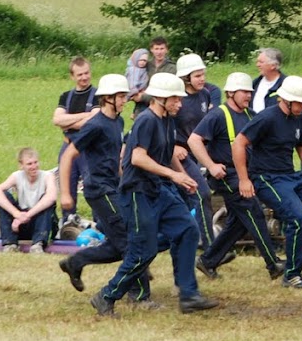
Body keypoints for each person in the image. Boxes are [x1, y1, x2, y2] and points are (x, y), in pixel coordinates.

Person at [90, 72, 219, 315]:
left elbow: (168, 152)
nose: (180, 104)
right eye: (175, 99)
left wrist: (183, 176)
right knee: (143, 251)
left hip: (160, 189)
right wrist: (173, 176)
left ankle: (188, 295)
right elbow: (138, 157)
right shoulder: (146, 120)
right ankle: (106, 296)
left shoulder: (168, 120)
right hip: (138, 193)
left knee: (187, 230)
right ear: (160, 98)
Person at [233, 75, 302, 289]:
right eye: (300, 102)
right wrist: (244, 180)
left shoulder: (299, 119)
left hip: (291, 176)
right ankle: (292, 275)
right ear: (286, 100)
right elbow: (239, 143)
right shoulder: (266, 118)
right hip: (266, 178)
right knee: (298, 218)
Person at [57, 74, 150, 301]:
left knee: (118, 246)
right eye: (120, 96)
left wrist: (126, 183)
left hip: (114, 187)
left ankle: (75, 262)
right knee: (130, 239)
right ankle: (138, 294)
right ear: (107, 98)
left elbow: (115, 159)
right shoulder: (95, 125)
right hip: (99, 189)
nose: (124, 100)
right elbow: (68, 155)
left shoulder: (117, 122)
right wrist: (66, 194)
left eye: (124, 96)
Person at [188, 71, 285, 280]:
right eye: (244, 92)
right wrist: (211, 165)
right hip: (228, 176)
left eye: (250, 92)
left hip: (246, 174)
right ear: (230, 93)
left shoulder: (251, 115)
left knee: (239, 222)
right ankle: (273, 263)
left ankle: (208, 261)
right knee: (254, 211)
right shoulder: (217, 115)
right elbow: (194, 140)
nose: (248, 96)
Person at [173, 53, 216, 249]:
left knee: (184, 200)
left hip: (197, 154)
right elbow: (163, 124)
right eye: (197, 76)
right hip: (177, 155)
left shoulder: (205, 95)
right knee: (202, 194)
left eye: (203, 74)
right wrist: (173, 146)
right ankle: (210, 249)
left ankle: (185, 241)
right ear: (185, 77)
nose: (202, 79)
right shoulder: (176, 98)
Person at [52, 56, 98, 222]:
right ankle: (68, 224)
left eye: (86, 73)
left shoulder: (98, 95)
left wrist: (69, 121)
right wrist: (86, 116)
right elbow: (56, 120)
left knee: (93, 187)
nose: (84, 77)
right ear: (72, 76)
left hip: (88, 148)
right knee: (67, 188)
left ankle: (101, 225)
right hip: (68, 146)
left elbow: (94, 122)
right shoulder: (66, 96)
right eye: (80, 75)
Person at [0, 147, 58, 253]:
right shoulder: (16, 176)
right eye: (29, 164)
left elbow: (51, 197)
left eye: (36, 162)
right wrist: (16, 213)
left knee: (46, 201)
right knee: (4, 196)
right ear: (21, 165)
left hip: (42, 222)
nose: (34, 166)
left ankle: (38, 243)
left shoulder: (47, 176)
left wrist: (27, 215)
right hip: (22, 221)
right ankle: (10, 243)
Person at [131, 36, 176, 116]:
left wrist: (143, 96)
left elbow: (166, 90)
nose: (159, 52)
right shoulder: (145, 65)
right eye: (156, 49)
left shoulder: (171, 68)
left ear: (166, 50)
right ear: (151, 50)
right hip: (142, 106)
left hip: (160, 106)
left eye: (162, 49)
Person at [251, 47, 285, 113]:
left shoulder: (286, 85)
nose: (257, 65)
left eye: (261, 62)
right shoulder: (254, 84)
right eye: (257, 62)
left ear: (273, 65)